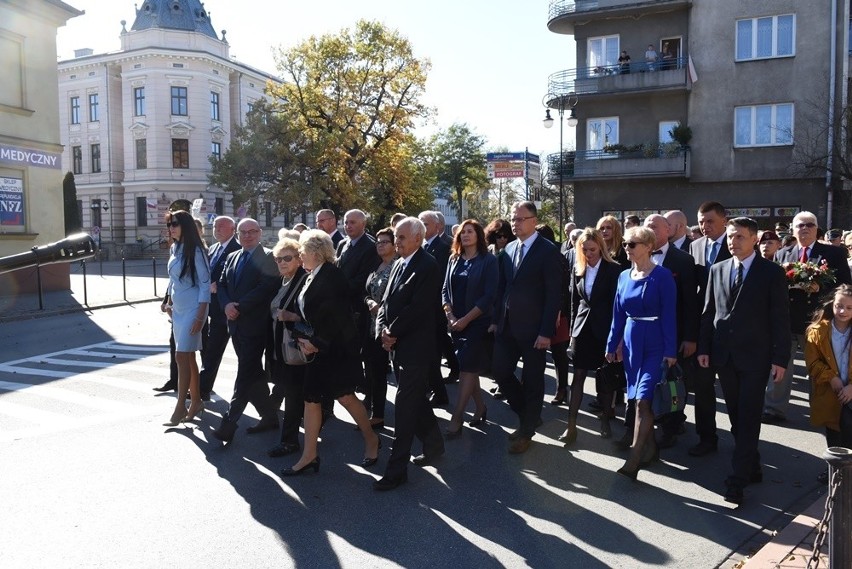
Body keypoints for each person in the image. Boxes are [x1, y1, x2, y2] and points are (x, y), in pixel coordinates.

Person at [698, 217, 791, 505]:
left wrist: (780, 358)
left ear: (754, 239)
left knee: (749, 414)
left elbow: (780, 319)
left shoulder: (771, 273)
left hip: (756, 357)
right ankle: (752, 465)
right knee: (737, 415)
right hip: (724, 355)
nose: (732, 242)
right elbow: (708, 312)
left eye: (739, 237)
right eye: (730, 237)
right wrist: (704, 347)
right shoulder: (718, 269)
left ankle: (737, 480)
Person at [281, 230, 381, 476]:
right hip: (317, 349)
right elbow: (308, 314)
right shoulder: (310, 276)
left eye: (302, 251)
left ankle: (371, 439)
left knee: (345, 397)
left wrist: (316, 342)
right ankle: (309, 455)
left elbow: (337, 319)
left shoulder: (333, 276)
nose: (299, 255)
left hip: (336, 350)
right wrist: (302, 336)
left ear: (315, 252)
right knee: (311, 399)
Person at [374, 217, 445, 491]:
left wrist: (392, 332)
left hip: (416, 347)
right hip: (397, 344)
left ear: (418, 238)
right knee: (414, 398)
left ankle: (396, 469)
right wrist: (382, 329)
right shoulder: (398, 264)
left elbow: (418, 308)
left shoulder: (428, 265)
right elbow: (386, 302)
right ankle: (435, 445)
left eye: (402, 237)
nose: (397, 242)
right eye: (396, 237)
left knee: (404, 406)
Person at [766, 211, 852, 424]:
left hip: (817, 322)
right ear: (793, 230)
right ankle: (774, 409)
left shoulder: (834, 254)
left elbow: (845, 287)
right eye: (800, 225)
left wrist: (820, 287)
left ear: (816, 229)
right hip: (788, 319)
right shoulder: (783, 254)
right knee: (781, 366)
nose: (805, 228)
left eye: (810, 225)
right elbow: (774, 286)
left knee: (818, 368)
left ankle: (823, 410)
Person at [491, 201, 563, 454]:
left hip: (534, 330)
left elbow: (554, 295)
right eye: (513, 218)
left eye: (520, 219)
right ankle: (528, 415)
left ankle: (527, 430)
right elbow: (502, 287)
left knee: (532, 380)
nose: (515, 223)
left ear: (534, 220)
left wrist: (546, 332)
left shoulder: (548, 251)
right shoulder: (509, 249)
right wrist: (494, 319)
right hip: (507, 325)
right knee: (500, 371)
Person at [605, 226, 677, 480]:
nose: (627, 248)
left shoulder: (663, 276)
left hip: (655, 342)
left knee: (643, 399)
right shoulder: (624, 276)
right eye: (625, 244)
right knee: (634, 396)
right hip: (631, 341)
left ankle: (634, 457)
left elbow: (670, 315)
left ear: (648, 246)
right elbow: (617, 314)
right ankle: (652, 449)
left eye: (632, 244)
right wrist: (612, 344)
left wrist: (670, 350)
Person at [212, 218, 280, 443]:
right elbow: (221, 284)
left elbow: (266, 287)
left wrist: (239, 306)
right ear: (238, 234)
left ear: (260, 233)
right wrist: (226, 305)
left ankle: (229, 423)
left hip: (256, 325)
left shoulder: (269, 256)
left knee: (244, 373)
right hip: (235, 323)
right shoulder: (232, 256)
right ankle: (269, 415)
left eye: (252, 231)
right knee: (252, 372)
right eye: (243, 232)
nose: (248, 235)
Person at [557, 228, 621, 445]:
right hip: (582, 330)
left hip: (605, 331)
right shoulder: (578, 269)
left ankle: (605, 421)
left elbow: (617, 306)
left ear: (601, 248)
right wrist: (571, 334)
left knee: (603, 380)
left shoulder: (614, 270)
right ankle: (571, 425)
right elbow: (574, 303)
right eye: (584, 250)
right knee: (578, 376)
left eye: (592, 249)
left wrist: (616, 337)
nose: (589, 253)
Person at [643, 215, 699, 451]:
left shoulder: (683, 260)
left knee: (673, 383)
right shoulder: (637, 255)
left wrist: (690, 337)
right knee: (648, 382)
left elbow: (690, 303)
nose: (650, 231)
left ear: (669, 230)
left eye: (654, 226)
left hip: (673, 334)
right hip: (645, 333)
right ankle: (644, 425)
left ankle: (671, 427)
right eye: (647, 227)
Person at [442, 219, 498, 437]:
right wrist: (450, 315)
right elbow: (445, 289)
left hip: (477, 322)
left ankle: (457, 416)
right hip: (455, 322)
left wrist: (466, 319)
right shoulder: (453, 259)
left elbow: (489, 296)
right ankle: (481, 407)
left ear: (478, 236)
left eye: (470, 232)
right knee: (469, 367)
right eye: (462, 232)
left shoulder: (488, 261)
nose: (465, 235)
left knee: (467, 367)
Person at [686, 200, 731, 457]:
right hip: (702, 330)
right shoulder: (696, 246)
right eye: (701, 221)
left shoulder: (737, 244)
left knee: (734, 394)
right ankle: (706, 437)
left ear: (724, 219)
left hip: (728, 331)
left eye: (710, 221)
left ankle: (745, 446)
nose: (705, 226)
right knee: (702, 389)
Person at [162, 210, 211, 426]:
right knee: (188, 357)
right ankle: (197, 401)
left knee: (181, 356)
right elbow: (173, 279)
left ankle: (181, 405)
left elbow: (204, 284)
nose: (171, 228)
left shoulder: (197, 251)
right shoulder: (174, 248)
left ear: (186, 226)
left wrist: (200, 315)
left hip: (193, 309)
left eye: (175, 224)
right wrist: (167, 301)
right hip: (179, 310)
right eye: (169, 224)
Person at [266, 238, 309, 458]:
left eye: (287, 258)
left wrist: (290, 316)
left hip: (295, 348)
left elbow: (312, 314)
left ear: (299, 259)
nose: (282, 262)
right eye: (278, 258)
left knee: (294, 396)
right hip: (281, 347)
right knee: (293, 393)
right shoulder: (283, 279)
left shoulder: (303, 280)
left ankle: (290, 441)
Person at [805, 285, 852, 481]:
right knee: (833, 430)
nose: (843, 311)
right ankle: (834, 469)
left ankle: (848, 470)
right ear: (832, 304)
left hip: (850, 389)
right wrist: (830, 377)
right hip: (829, 390)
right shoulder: (817, 330)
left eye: (849, 308)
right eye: (839, 306)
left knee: (849, 428)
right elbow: (812, 362)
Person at [199, 215, 240, 401]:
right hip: (213, 310)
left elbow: (239, 279)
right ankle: (203, 390)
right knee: (212, 352)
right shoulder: (213, 248)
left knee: (245, 358)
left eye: (222, 226)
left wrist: (219, 284)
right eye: (215, 226)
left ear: (233, 229)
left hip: (231, 310)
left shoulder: (237, 249)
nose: (217, 229)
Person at [419, 210, 457, 403]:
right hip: (422, 312)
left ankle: (439, 393)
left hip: (434, 310)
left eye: (425, 224)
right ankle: (431, 389)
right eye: (420, 223)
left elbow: (441, 281)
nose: (422, 227)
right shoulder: (419, 247)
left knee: (433, 353)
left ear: (438, 227)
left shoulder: (444, 248)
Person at [362, 227, 398, 429]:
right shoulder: (377, 266)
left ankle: (382, 413)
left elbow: (397, 297)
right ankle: (377, 412)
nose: (380, 245)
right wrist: (368, 302)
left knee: (387, 372)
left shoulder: (397, 266)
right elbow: (367, 292)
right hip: (371, 326)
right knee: (373, 371)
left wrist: (381, 308)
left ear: (394, 245)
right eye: (378, 242)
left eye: (385, 242)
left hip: (390, 327)